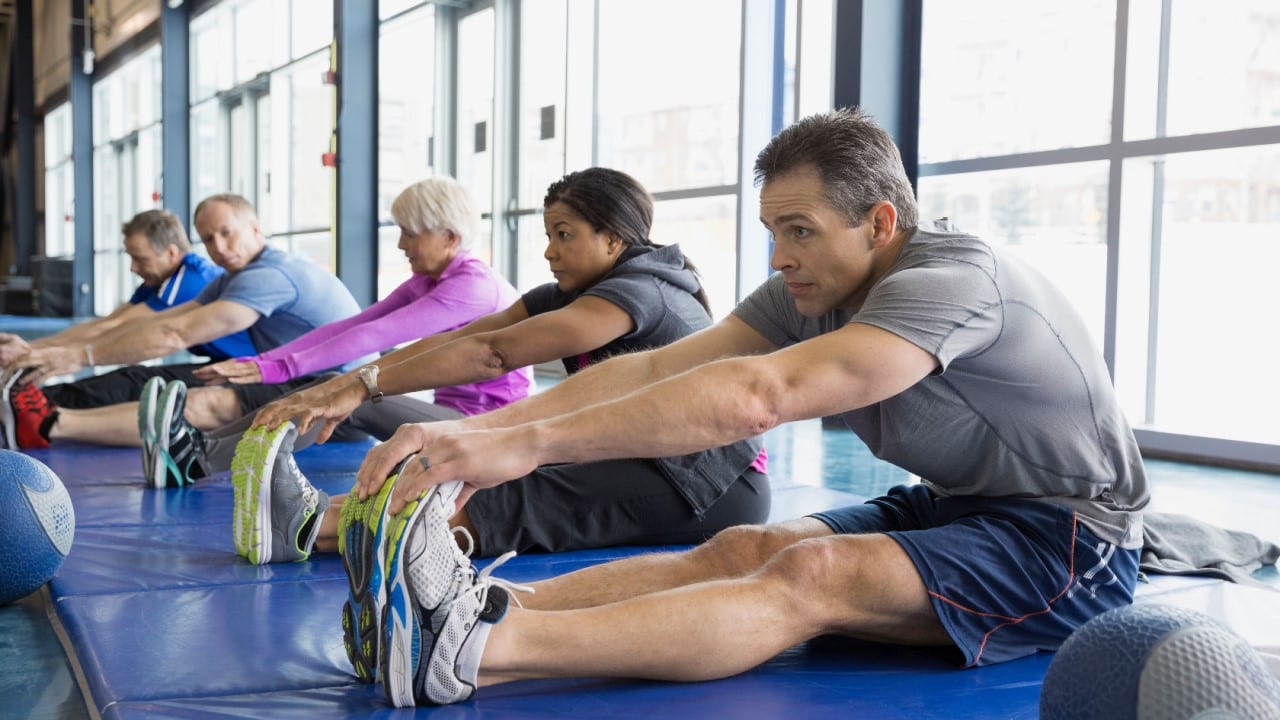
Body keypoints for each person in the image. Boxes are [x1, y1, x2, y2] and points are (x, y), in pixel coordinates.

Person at [346, 108, 1150, 708]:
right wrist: (480, 434)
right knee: (741, 547)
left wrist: (533, 446)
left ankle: (475, 651)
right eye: (771, 230)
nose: (779, 257)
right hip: (963, 507)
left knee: (813, 570)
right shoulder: (812, 284)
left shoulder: (952, 285)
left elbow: (764, 394)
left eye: (798, 230)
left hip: (1073, 540)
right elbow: (656, 369)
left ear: (880, 223)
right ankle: (460, 609)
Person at [237, 167, 768, 683]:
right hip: (630, 450)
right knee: (453, 469)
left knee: (515, 496)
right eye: (547, 235)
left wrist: (358, 388)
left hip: (704, 483)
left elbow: (493, 353)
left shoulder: (641, 292)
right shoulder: (573, 290)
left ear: (614, 239)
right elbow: (460, 339)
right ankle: (311, 517)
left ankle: (308, 530)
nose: (549, 251)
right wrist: (354, 380)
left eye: (564, 235)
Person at [139, 176, 530, 488]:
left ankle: (197, 460)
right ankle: (197, 448)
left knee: (354, 397)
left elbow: (374, 337)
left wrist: (276, 370)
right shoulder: (431, 279)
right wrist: (266, 363)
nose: (400, 244)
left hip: (486, 428)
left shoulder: (472, 287)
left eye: (411, 233)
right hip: (455, 415)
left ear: (449, 237)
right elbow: (355, 324)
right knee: (335, 385)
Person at [0, 194, 370, 467]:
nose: (219, 247)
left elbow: (173, 335)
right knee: (145, 380)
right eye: (209, 239)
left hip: (334, 395)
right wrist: (46, 352)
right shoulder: (230, 277)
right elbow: (149, 324)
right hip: (276, 373)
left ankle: (46, 422)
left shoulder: (268, 275)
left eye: (227, 233)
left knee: (198, 403)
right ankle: (27, 408)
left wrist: (74, 355)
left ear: (255, 228)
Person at [0, 209, 243, 372]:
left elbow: (118, 329)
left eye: (140, 259)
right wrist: (32, 348)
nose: (133, 268)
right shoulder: (160, 279)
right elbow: (108, 321)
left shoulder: (189, 281)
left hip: (247, 368)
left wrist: (32, 352)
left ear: (170, 253)